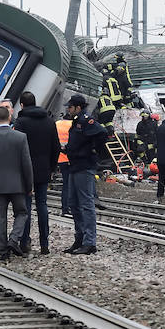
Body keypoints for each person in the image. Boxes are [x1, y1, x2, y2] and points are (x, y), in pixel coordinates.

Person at [0, 106, 34, 260]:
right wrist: (29, 186)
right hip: (18, 185)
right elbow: (26, 164)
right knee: (22, 213)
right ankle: (14, 239)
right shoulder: (20, 137)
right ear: (10, 119)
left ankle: (3, 251)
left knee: (0, 216)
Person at [14, 91, 61, 255]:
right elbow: (56, 147)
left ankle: (25, 242)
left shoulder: (20, 122)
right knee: (42, 205)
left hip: (24, 171)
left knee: (25, 207)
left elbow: (17, 147)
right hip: (43, 170)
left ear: (22, 105)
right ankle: (44, 243)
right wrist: (52, 167)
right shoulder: (49, 121)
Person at [63, 94, 107, 255]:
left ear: (78, 107)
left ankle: (89, 242)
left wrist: (93, 150)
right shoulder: (77, 121)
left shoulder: (86, 120)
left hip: (84, 166)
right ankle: (80, 238)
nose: (68, 109)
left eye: (70, 106)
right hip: (75, 165)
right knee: (73, 203)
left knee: (86, 204)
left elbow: (102, 132)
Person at [55, 114, 73, 215]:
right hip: (70, 158)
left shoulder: (57, 124)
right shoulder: (72, 125)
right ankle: (69, 207)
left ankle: (64, 208)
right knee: (70, 184)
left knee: (65, 185)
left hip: (60, 158)